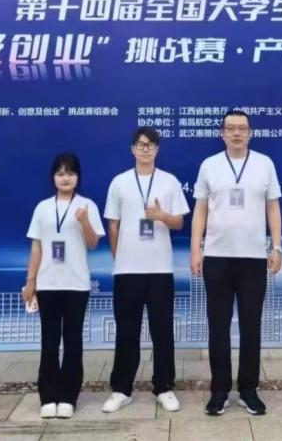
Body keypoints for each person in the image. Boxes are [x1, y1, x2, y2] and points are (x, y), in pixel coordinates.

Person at [191, 110, 282, 416]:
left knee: (250, 325)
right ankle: (219, 391)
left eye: (242, 128)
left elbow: (273, 208)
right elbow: (200, 210)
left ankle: (248, 389)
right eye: (230, 128)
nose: (236, 133)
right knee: (218, 326)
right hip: (217, 257)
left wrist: (277, 247)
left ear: (250, 133)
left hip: (253, 258)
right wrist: (196, 250)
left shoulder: (265, 164)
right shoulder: (209, 165)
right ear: (222, 133)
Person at [102, 128, 190, 413]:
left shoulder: (169, 181)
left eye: (151, 145)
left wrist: (161, 216)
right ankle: (121, 389)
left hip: (160, 269)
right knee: (126, 330)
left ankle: (164, 387)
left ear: (157, 150)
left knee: (162, 330)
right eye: (141, 145)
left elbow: (179, 222)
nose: (145, 149)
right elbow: (112, 224)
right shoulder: (119, 182)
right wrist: (120, 257)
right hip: (127, 270)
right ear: (132, 149)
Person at [22, 153, 105, 419]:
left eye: (70, 173)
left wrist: (84, 221)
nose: (65, 178)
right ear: (53, 178)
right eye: (60, 173)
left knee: (73, 341)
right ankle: (48, 396)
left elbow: (93, 243)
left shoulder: (87, 205)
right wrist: (31, 281)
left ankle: (69, 396)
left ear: (78, 177)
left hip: (76, 284)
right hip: (47, 283)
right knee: (49, 341)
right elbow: (36, 247)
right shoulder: (43, 208)